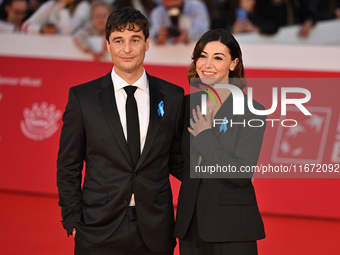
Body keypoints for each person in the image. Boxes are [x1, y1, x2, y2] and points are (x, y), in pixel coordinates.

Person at [57, 6, 184, 255]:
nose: (127, 49)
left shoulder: (172, 96)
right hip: (98, 227)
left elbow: (177, 160)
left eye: (135, 40)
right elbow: (68, 164)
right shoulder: (83, 98)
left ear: (147, 43)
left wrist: (221, 174)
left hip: (156, 228)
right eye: (118, 41)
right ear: (108, 45)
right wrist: (72, 217)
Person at [174, 29, 266, 255]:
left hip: (232, 225)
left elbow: (241, 174)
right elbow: (174, 158)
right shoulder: (187, 104)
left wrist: (205, 137)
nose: (207, 64)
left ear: (233, 64)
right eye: (202, 56)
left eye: (218, 58)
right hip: (191, 221)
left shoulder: (251, 111)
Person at [22, 0, 90, 34]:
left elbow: (66, 31)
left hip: (72, 52)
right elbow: (25, 26)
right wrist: (42, 29)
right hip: (49, 49)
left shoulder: (84, 6)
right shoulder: (52, 4)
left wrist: (62, 8)